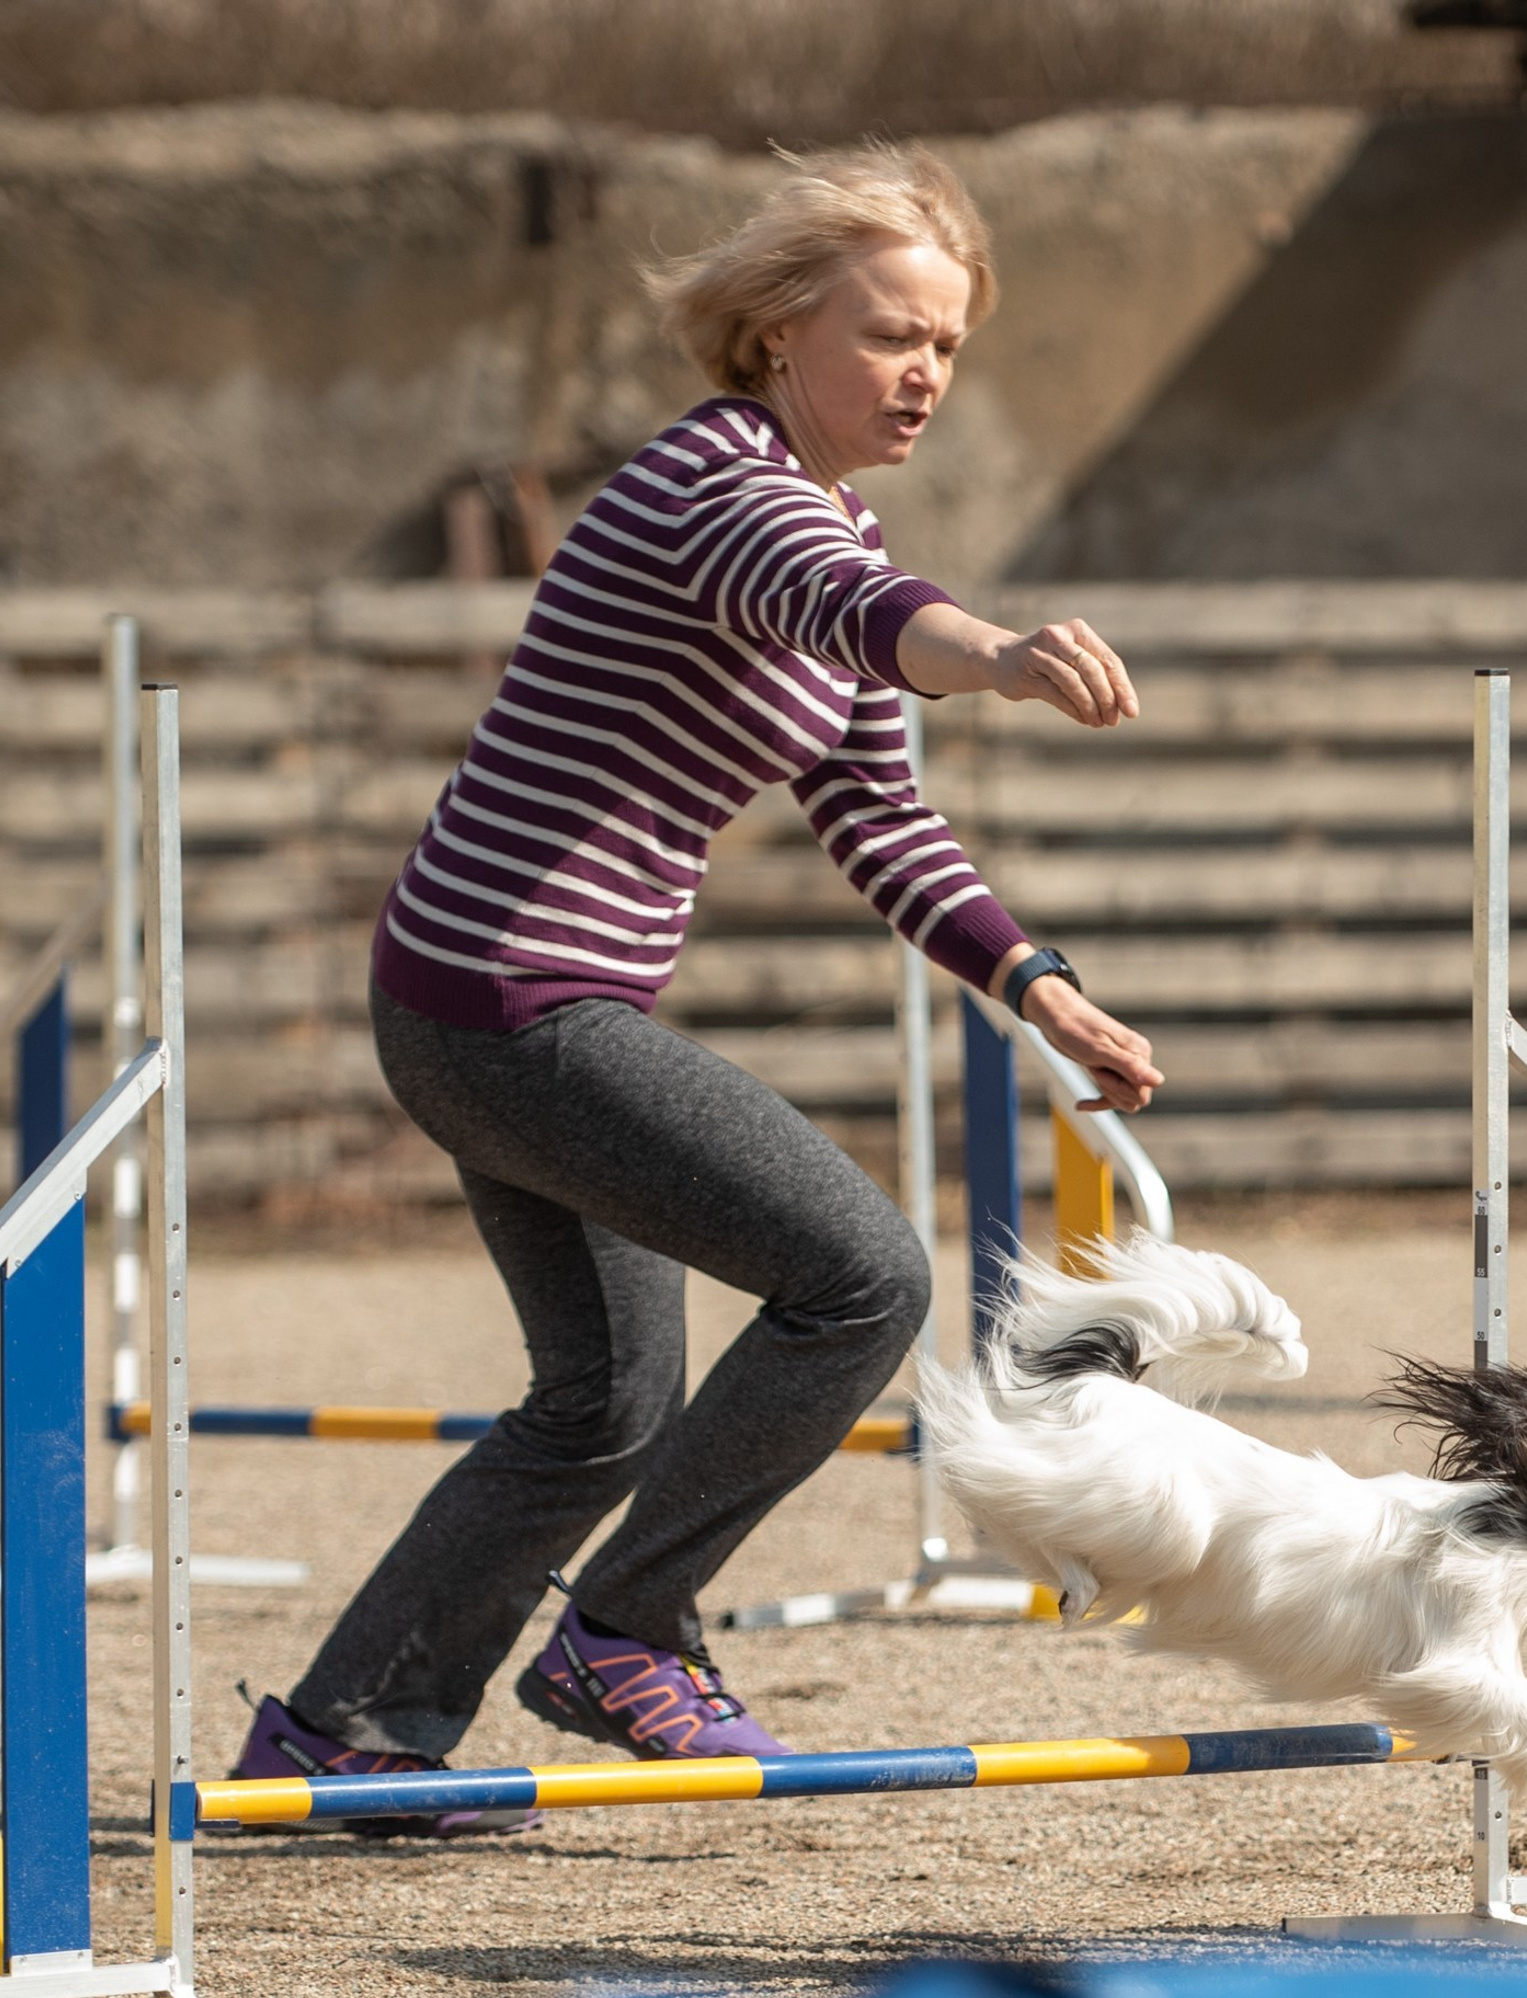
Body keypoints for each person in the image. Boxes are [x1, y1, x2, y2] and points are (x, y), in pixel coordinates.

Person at [229, 144, 1161, 1835]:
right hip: (512, 996)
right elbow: (865, 616)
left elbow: (877, 810)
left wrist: (1036, 984)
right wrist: (1003, 655)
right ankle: (629, 1630)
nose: (925, 374)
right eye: (891, 336)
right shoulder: (710, 489)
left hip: (488, 998)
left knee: (602, 1407)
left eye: (947, 346)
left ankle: (347, 1737)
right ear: (777, 331)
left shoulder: (828, 514)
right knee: (864, 1275)